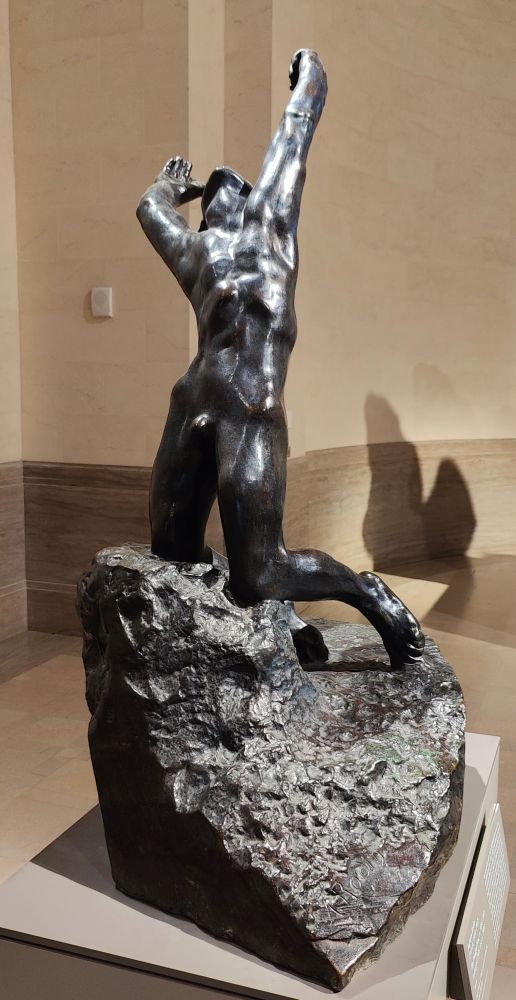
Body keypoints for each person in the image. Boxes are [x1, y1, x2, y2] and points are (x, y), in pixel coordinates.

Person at [137, 49, 424, 668]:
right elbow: (149, 212)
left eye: (228, 187)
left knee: (260, 570)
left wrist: (310, 83)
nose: (216, 196)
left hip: (249, 409)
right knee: (171, 548)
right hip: (191, 402)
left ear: (249, 200)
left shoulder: (268, 233)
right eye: (209, 196)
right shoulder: (198, 257)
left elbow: (292, 143)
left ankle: (366, 595)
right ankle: (277, 618)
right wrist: (168, 186)